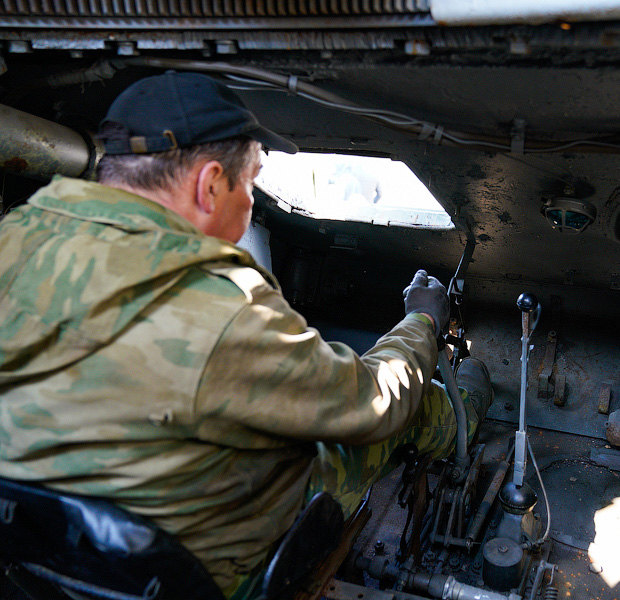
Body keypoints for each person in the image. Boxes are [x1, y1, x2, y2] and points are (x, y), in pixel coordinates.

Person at [0, 72, 492, 599]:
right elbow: (375, 402)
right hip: (191, 576)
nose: (253, 203)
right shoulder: (215, 303)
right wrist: (421, 322)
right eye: (251, 182)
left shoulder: (14, 236)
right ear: (211, 184)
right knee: (409, 406)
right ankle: (469, 410)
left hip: (39, 558)